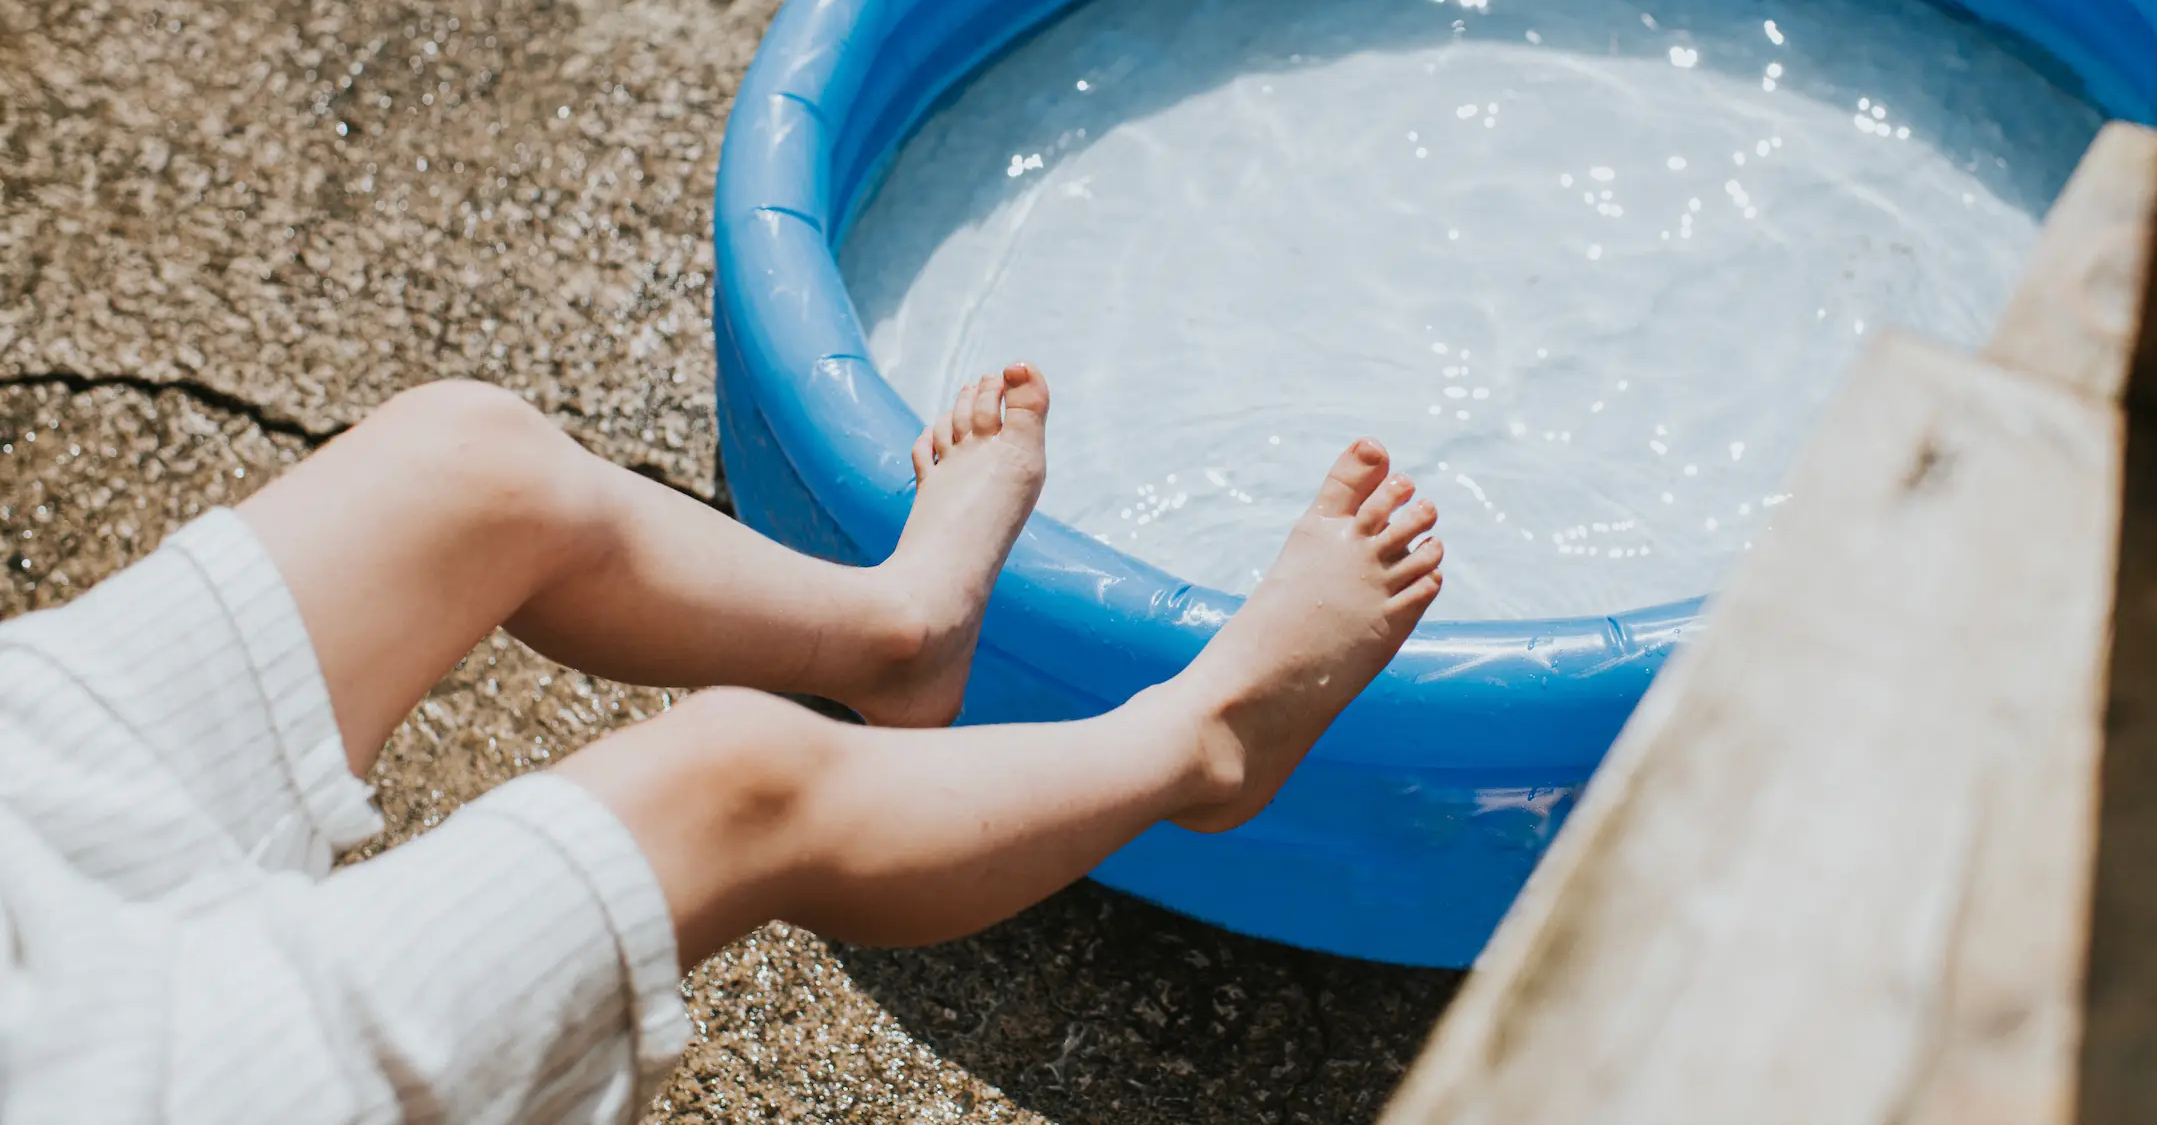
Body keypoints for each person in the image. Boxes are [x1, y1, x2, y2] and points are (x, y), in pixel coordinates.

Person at [0, 364, 1443, 1123]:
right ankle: (1208, 741)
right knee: (731, 783)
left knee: (472, 467)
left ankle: (895, 631)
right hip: (95, 1070)